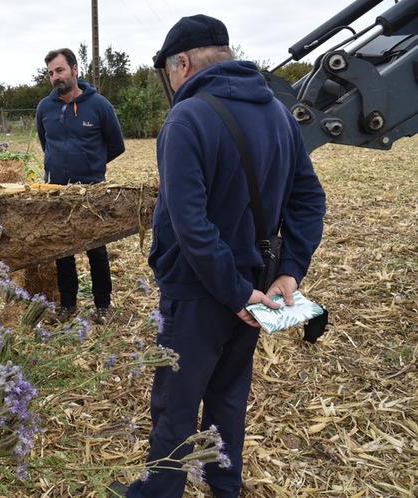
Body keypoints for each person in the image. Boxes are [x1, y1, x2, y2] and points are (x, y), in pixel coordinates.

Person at [122, 15, 327, 498]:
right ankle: (224, 486)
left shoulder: (186, 119)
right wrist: (290, 271)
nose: (170, 84)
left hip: (198, 293)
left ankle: (160, 491)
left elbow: (190, 224)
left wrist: (233, 292)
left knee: (176, 401)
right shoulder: (278, 112)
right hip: (259, 286)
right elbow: (309, 199)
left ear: (183, 63)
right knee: (229, 397)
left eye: (168, 73)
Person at [36, 47, 125, 325]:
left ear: (75, 69)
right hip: (57, 191)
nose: (55, 77)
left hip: (92, 191)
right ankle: (68, 305)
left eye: (60, 70)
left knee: (96, 249)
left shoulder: (99, 105)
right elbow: (45, 142)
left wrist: (90, 164)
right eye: (50, 73)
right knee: (63, 250)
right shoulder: (45, 108)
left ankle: (102, 306)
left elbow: (116, 145)